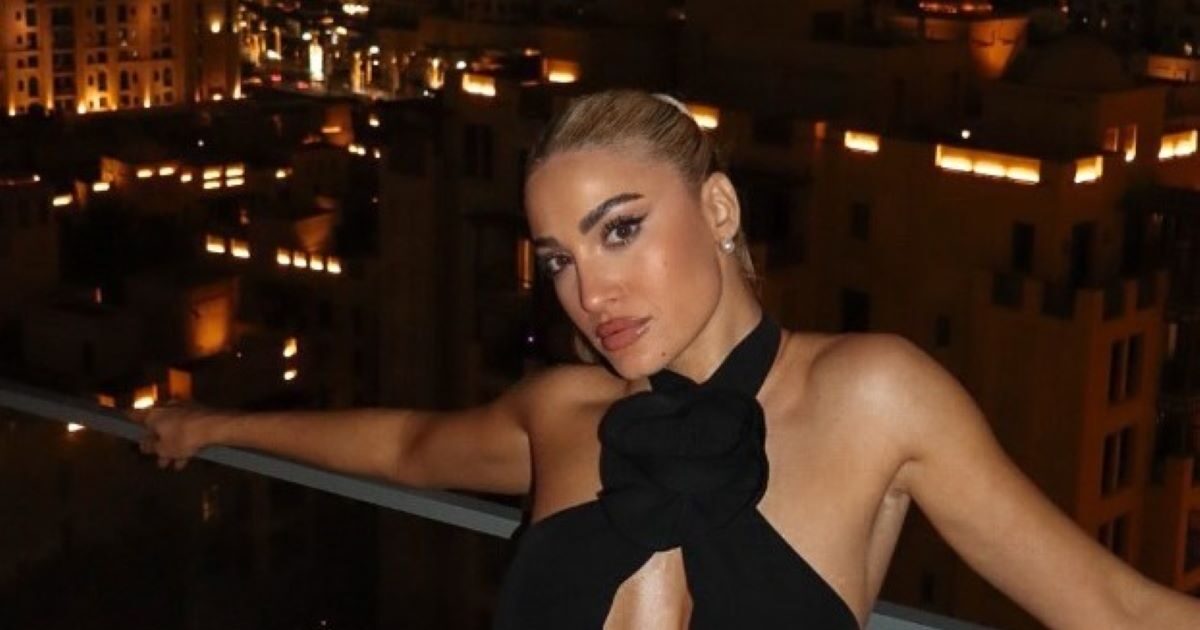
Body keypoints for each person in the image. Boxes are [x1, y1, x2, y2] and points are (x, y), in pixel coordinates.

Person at [140, 90, 1200, 629]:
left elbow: (1116, 613)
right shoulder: (565, 411)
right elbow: (408, 446)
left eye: (620, 229)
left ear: (720, 209)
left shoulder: (870, 395)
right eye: (559, 259)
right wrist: (217, 423)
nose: (587, 292)